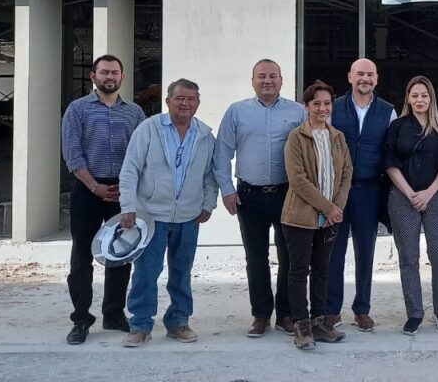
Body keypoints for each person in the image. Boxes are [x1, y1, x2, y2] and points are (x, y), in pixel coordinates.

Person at [117, 79, 218, 348]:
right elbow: (130, 169)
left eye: (191, 99)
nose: (185, 103)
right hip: (152, 216)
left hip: (188, 216)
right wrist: (128, 206)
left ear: (198, 103)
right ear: (168, 101)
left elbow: (210, 175)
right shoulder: (149, 129)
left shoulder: (205, 135)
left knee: (182, 272)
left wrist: (208, 203)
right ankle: (140, 325)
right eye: (179, 98)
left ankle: (178, 321)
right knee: (146, 272)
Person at [213, 59, 304, 338]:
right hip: (249, 196)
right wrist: (227, 189)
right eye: (261, 76)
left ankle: (286, 314)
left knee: (289, 257)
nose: (267, 81)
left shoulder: (298, 111)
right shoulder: (237, 111)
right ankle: (261, 315)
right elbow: (222, 153)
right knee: (255, 258)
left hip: (288, 195)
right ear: (252, 81)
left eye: (272, 76)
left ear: (282, 80)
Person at [61, 54, 146, 344]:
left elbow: (140, 153)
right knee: (81, 256)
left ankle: (114, 313)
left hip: (122, 191)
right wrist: (94, 185)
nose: (110, 77)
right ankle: (81, 319)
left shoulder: (134, 112)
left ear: (122, 77)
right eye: (104, 72)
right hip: (88, 189)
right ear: (93, 76)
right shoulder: (77, 110)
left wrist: (128, 188)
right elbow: (73, 153)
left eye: (114, 73)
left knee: (121, 254)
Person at [326, 58, 397, 332]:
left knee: (365, 251)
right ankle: (332, 310)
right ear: (350, 77)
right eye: (360, 74)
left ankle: (362, 309)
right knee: (334, 251)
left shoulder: (388, 111)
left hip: (369, 190)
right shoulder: (334, 108)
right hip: (338, 193)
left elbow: (392, 152)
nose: (365, 79)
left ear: (376, 79)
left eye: (370, 74)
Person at [282, 80, 353, 350]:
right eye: (316, 103)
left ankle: (320, 322)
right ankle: (301, 325)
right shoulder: (296, 138)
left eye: (327, 103)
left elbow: (346, 173)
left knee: (323, 269)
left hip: (330, 218)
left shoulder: (338, 137)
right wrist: (327, 207)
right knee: (299, 271)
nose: (322, 108)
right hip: (299, 218)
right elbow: (298, 180)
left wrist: (337, 207)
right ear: (306, 106)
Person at [383, 76, 438, 335]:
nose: (419, 100)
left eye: (424, 95)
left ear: (431, 97)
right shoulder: (397, 127)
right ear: (408, 98)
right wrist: (411, 193)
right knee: (408, 257)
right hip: (403, 196)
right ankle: (414, 313)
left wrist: (428, 193)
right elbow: (389, 162)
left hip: (436, 197)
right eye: (415, 95)